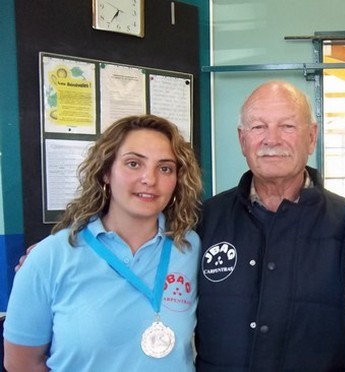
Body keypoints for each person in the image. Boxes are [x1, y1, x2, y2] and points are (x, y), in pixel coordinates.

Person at [4, 115, 202, 371]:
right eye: (133, 163)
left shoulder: (190, 247)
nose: (149, 179)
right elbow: (22, 364)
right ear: (106, 172)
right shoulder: (51, 256)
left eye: (165, 168)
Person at [194, 80, 345, 371]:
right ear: (242, 140)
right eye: (258, 127)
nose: (272, 139)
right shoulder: (204, 220)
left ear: (312, 137)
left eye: (288, 126)